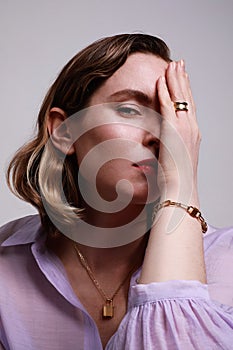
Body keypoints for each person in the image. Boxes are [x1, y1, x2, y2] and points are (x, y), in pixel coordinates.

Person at [0, 33, 233, 350]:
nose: (160, 135)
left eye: (172, 116)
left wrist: (181, 184)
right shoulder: (6, 263)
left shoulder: (227, 262)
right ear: (64, 132)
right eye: (129, 110)